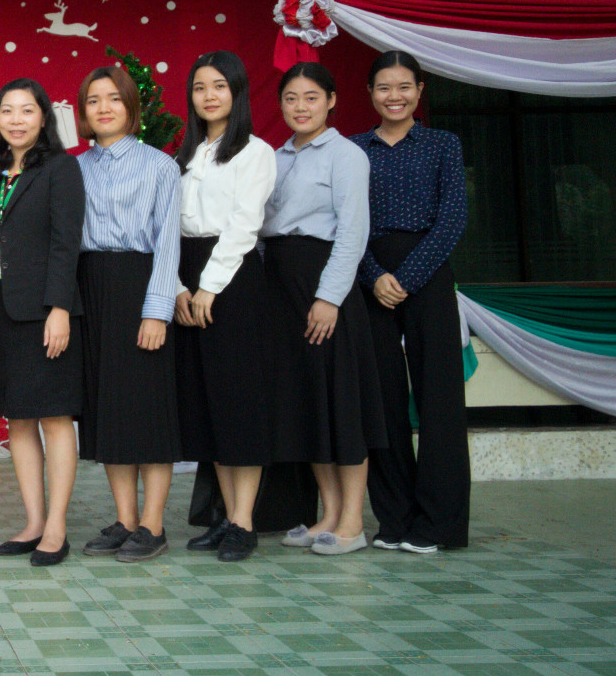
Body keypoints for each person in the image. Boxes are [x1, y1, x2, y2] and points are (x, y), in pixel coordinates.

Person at [262, 62, 388, 556]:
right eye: (291, 98)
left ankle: (353, 521)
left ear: (331, 100)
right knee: (309, 403)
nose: (301, 107)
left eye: (311, 97)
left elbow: (353, 232)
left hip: (324, 287)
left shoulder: (347, 155)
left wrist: (329, 297)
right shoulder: (274, 158)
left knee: (342, 403)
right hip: (281, 289)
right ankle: (328, 515)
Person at [354, 50, 471, 553]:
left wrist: (405, 277)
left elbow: (453, 218)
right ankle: (395, 518)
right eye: (384, 87)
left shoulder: (443, 144)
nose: (394, 96)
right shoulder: (354, 149)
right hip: (369, 278)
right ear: (370, 93)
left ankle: (438, 524)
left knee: (439, 398)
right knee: (381, 402)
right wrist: (375, 275)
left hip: (428, 274)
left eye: (404, 86)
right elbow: (345, 222)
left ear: (420, 90)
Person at [170, 52, 276, 563]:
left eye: (218, 86)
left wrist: (209, 287)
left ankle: (245, 523)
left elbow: (243, 225)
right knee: (208, 402)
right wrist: (177, 286)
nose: (208, 96)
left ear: (237, 92)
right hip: (186, 272)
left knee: (238, 400)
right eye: (199, 87)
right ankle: (225, 516)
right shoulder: (184, 154)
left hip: (231, 278)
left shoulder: (255, 152)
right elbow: (165, 226)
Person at [75, 65, 183, 564]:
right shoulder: (75, 167)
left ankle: (153, 525)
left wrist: (157, 311)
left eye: (114, 98)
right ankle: (125, 519)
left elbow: (168, 243)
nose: (104, 108)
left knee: (147, 409)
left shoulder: (160, 166)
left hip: (140, 285)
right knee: (108, 411)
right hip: (90, 288)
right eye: (94, 100)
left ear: (131, 106)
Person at [0, 78, 84, 568]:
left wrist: (59, 307)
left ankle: (57, 527)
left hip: (44, 313)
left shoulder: (61, 168)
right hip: (0, 308)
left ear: (44, 117)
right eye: (7, 110)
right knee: (17, 417)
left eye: (27, 110)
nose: (16, 120)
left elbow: (66, 241)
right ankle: (34, 521)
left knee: (54, 417)